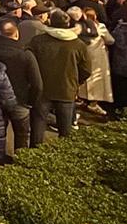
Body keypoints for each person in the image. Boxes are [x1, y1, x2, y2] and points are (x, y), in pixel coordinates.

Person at [27, 9, 92, 144]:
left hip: (42, 88)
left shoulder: (38, 41)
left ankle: (33, 155)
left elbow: (28, 62)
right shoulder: (78, 44)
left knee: (38, 124)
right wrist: (76, 82)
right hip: (67, 89)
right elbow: (86, 69)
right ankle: (63, 154)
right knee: (65, 129)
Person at [0, 20, 41, 154]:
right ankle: (19, 163)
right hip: (20, 100)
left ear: (0, 32)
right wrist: (31, 102)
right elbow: (37, 83)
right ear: (16, 33)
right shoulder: (25, 54)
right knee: (22, 135)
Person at [78, 7, 115, 112]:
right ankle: (94, 103)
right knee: (97, 79)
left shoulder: (79, 27)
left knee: (85, 77)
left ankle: (83, 98)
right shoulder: (100, 27)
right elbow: (110, 40)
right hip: (98, 56)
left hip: (84, 55)